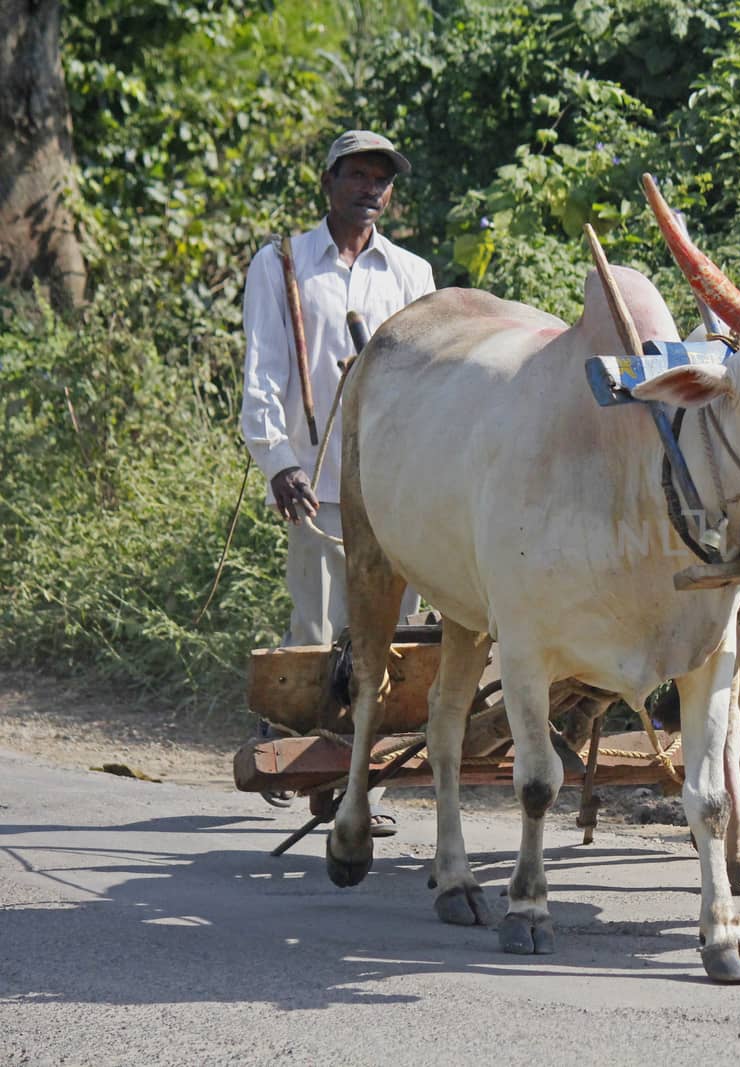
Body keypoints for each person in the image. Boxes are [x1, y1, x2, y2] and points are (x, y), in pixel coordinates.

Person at [239, 130, 436, 836]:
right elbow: (262, 370)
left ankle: (364, 785)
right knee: (320, 635)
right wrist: (278, 461)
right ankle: (325, 776)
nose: (370, 189)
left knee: (390, 642)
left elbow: (439, 382)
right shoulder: (284, 264)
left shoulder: (412, 274)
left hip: (399, 487)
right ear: (329, 182)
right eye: (357, 175)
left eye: (381, 179)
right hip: (317, 481)